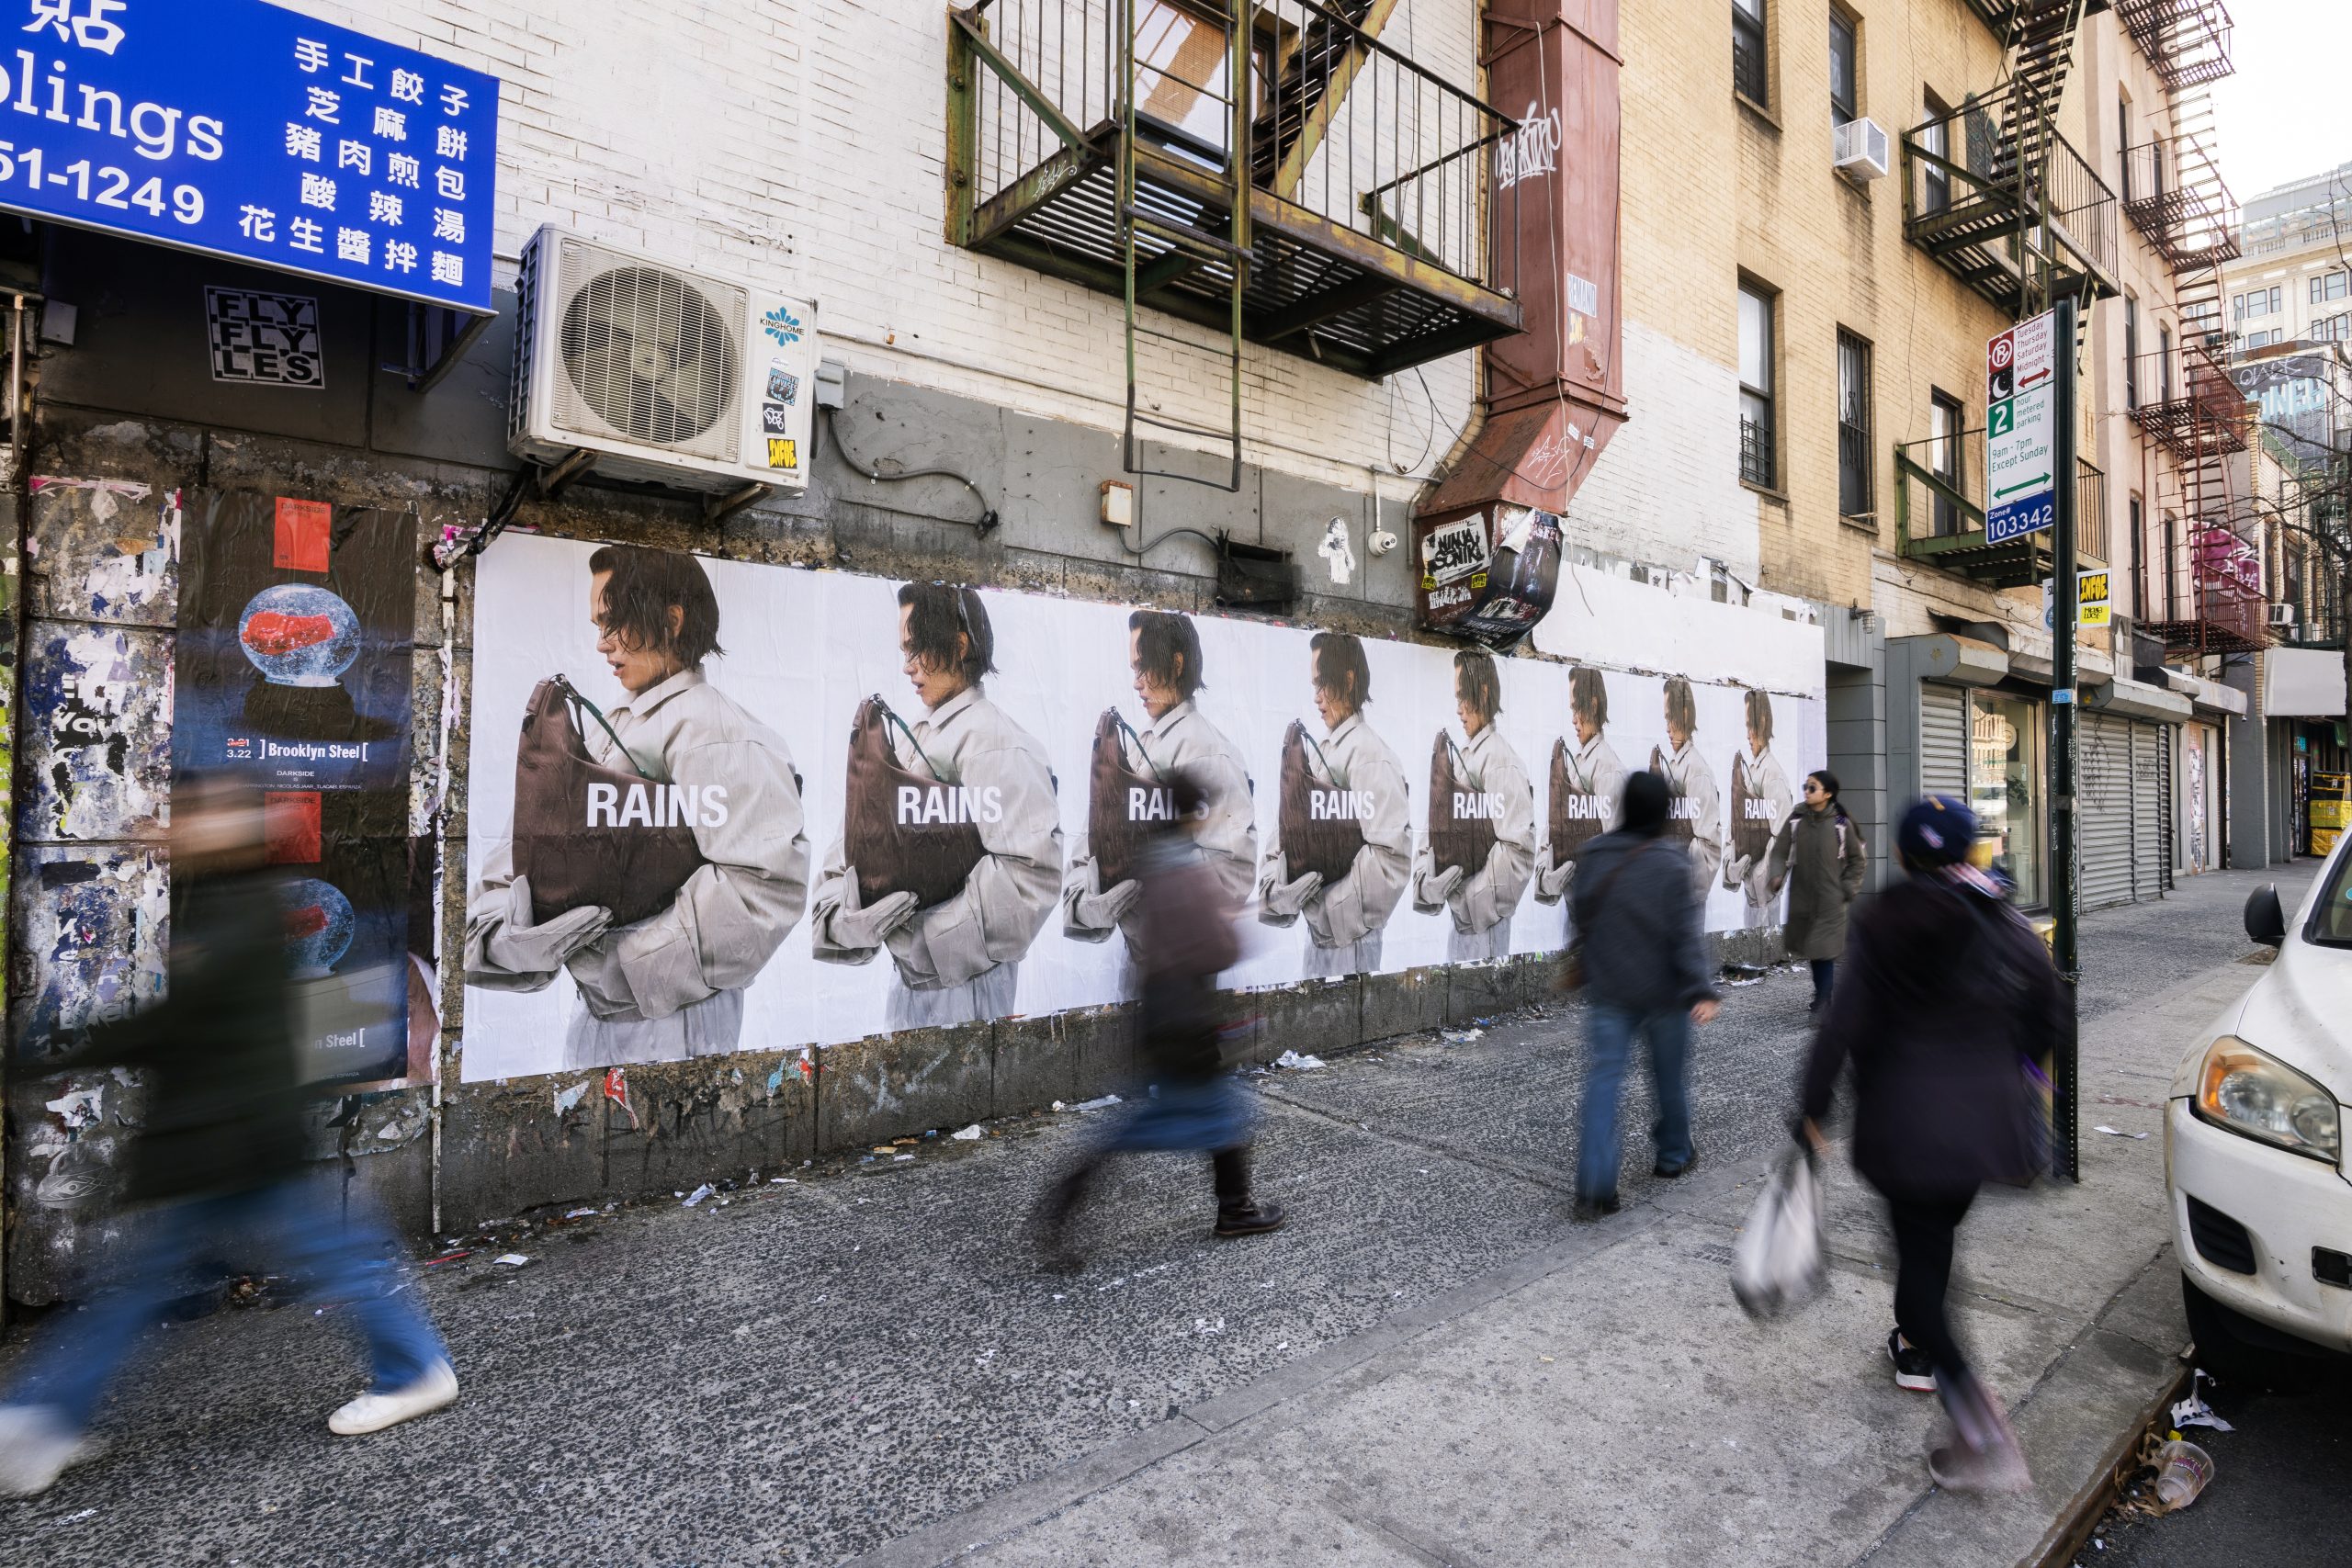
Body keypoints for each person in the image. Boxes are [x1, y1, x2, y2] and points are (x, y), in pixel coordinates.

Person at [0, 778, 457, 1499]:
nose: (173, 826)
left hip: (235, 1141)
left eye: (197, 817)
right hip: (225, 1139)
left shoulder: (243, 911)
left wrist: (42, 1055)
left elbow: (175, 1027)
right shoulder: (226, 901)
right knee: (145, 1282)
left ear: (235, 831)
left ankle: (43, 1419)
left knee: (153, 1281)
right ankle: (46, 1415)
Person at [1798, 795, 2063, 1495]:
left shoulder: (1885, 919)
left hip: (1906, 1125)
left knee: (1920, 1286)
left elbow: (1842, 1022)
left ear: (1900, 854)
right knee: (1933, 1241)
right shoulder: (1998, 912)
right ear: (1967, 850)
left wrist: (1813, 1107)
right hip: (1982, 1129)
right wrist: (2016, 1069)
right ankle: (1919, 1354)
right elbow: (2047, 1005)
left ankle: (1980, 1427)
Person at [466, 545, 810, 1066]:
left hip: (675, 1026)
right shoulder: (614, 725)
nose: (601, 643)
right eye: (598, 626)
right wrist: (512, 934)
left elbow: (764, 887)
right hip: (604, 1020)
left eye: (613, 623)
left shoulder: (713, 731)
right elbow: (542, 840)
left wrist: (621, 967)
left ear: (671, 621)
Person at [1035, 770, 1284, 1267]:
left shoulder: (1154, 863)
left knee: (1200, 1115)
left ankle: (1232, 1208)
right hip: (1185, 1020)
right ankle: (1234, 1210)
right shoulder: (1189, 874)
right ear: (1196, 815)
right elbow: (1220, 949)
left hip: (1163, 1015)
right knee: (1208, 1115)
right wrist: (1228, 924)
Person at [812, 582, 1063, 1027]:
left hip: (969, 993)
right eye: (904, 652)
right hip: (911, 990)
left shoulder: (996, 743)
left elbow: (1030, 877)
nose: (907, 666)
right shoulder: (913, 738)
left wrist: (920, 943)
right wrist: (846, 916)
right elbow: (859, 839)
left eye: (917, 649)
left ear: (959, 645)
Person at [1064, 610, 1258, 984]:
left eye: (1143, 667)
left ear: (1176, 664)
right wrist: (1092, 903)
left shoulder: (1209, 752)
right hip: (1144, 966)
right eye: (1133, 669)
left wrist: (1149, 882)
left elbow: (1234, 874)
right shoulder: (1138, 746)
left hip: (1183, 971)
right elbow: (1094, 840)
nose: (1136, 683)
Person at [1568, 772, 1721, 1219]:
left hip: (1609, 987)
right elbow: (1685, 935)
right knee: (1669, 1079)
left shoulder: (1594, 854)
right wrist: (1701, 989)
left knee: (1603, 1082)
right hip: (1664, 993)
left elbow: (1580, 914)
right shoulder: (1671, 863)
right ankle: (1672, 1156)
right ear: (1663, 812)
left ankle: (1595, 1186)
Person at [1258, 631, 1409, 977]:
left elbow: (1391, 859)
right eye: (1314, 686)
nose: (1316, 697)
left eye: (1322, 684)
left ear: (1348, 680)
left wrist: (1323, 910)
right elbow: (1288, 828)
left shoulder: (1371, 756)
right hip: (1320, 943)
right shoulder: (1319, 752)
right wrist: (1278, 891)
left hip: (1352, 944)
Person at [1413, 649, 1536, 961]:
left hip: (1486, 928)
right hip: (1463, 926)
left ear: (1482, 693)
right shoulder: (1464, 757)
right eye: (1456, 699)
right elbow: (1437, 825)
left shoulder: (1501, 762)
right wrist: (1429, 885)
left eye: (1462, 698)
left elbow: (1519, 851)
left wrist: (1468, 901)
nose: (1458, 709)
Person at [1766, 768, 1867, 1012]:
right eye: (1806, 786)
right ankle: (1823, 995)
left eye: (1812, 787)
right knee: (1814, 949)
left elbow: (1858, 860)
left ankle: (1824, 999)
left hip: (1832, 899)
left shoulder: (1841, 823)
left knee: (1823, 950)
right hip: (1802, 897)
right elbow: (1779, 851)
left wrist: (1847, 888)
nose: (1807, 792)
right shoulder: (1797, 819)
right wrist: (1777, 875)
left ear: (1828, 794)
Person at [1533, 665, 1625, 929]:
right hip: (1577, 912)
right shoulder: (1579, 763)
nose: (1573, 719)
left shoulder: (1607, 768)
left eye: (1577, 708)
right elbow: (1557, 826)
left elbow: (1616, 850)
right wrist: (1547, 875)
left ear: (1593, 705)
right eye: (1571, 710)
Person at [1724, 690, 1795, 930]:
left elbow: (1784, 836)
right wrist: (1734, 867)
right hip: (1752, 896)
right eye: (1746, 726)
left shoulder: (1772, 774)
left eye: (1750, 726)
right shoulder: (1751, 771)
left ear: (1762, 722)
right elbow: (1737, 824)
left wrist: (1760, 876)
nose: (1747, 735)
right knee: (1751, 946)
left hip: (1765, 897)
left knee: (1765, 948)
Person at [1651, 675, 1724, 904]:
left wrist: (1680, 885)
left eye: (1670, 718)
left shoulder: (1696, 771)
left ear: (1683, 714)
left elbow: (1709, 846)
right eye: (1665, 719)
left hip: (1684, 899)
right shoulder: (1675, 765)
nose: (1667, 728)